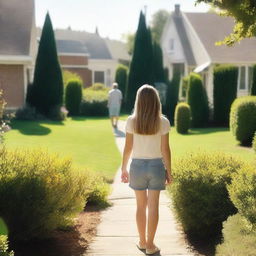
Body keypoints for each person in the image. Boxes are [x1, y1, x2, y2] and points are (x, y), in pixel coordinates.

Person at [121, 84, 172, 255]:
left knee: (140, 206)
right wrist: (169, 172)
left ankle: (142, 241)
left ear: (139, 101)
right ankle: (150, 244)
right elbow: (166, 149)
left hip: (137, 166)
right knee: (154, 206)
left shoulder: (131, 121)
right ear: (156, 102)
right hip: (157, 166)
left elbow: (128, 148)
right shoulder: (163, 122)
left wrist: (123, 168)